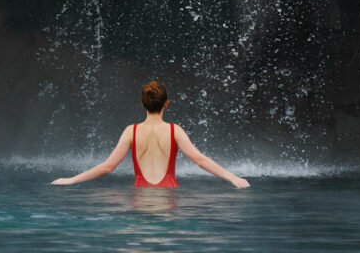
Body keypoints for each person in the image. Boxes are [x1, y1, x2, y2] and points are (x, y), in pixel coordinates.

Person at [50, 80, 250, 189]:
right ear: (166, 103)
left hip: (140, 196)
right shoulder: (174, 130)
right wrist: (232, 177)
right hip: (169, 195)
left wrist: (71, 180)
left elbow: (107, 167)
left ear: (142, 104)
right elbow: (199, 159)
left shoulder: (131, 131)